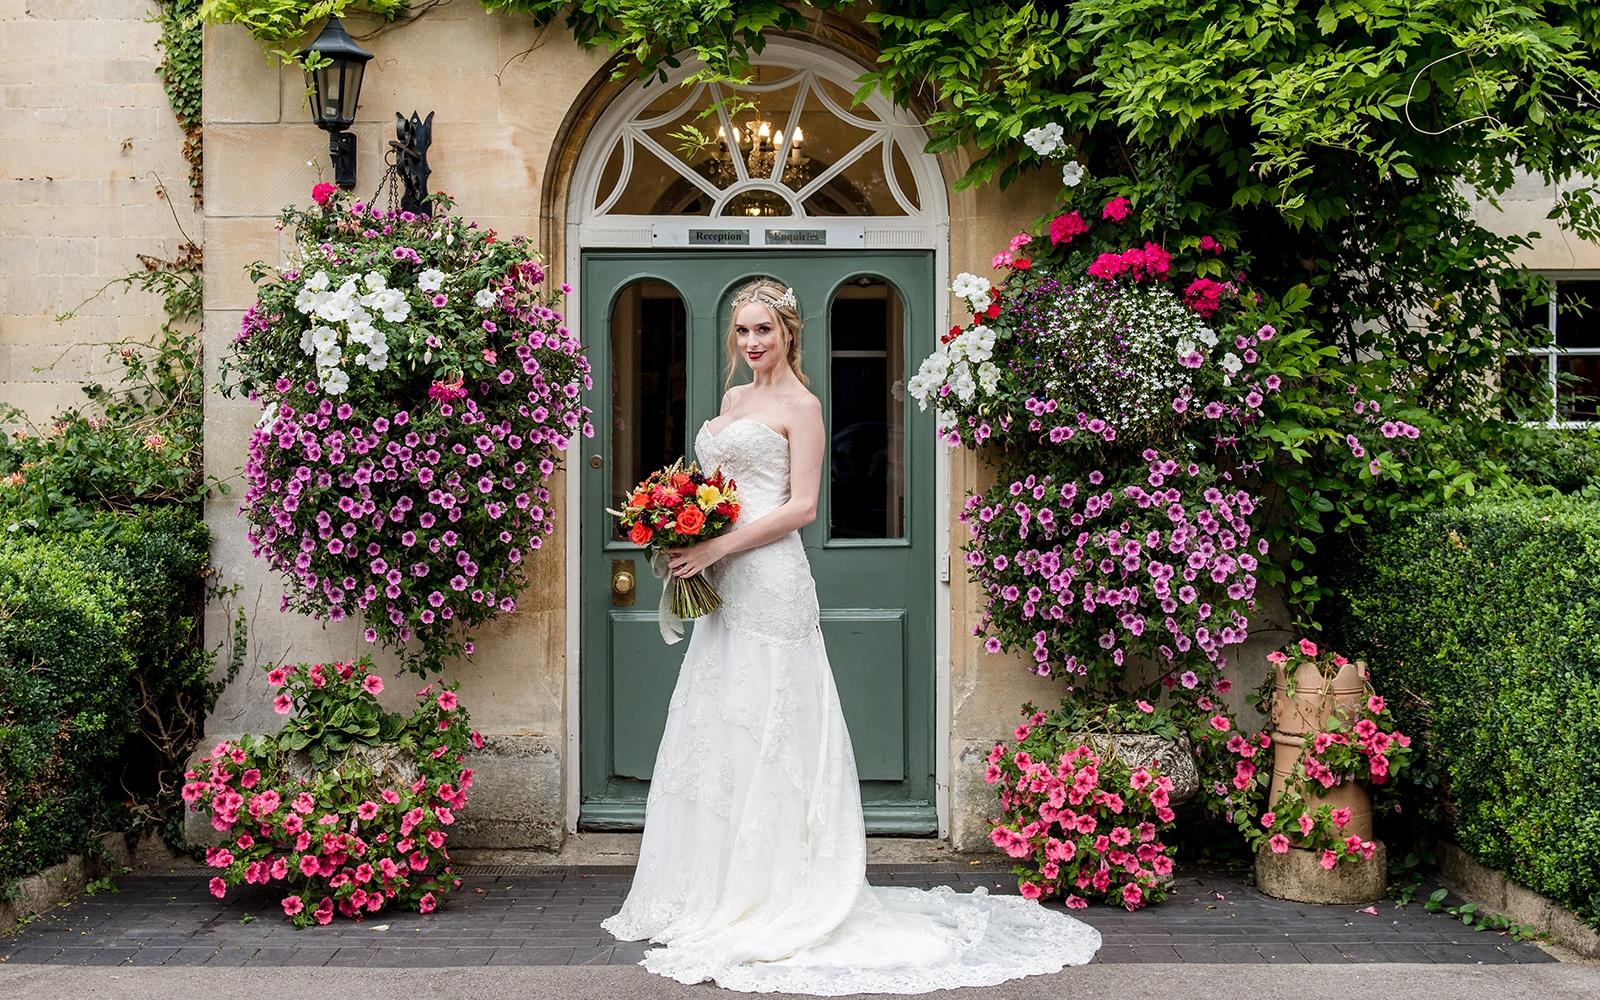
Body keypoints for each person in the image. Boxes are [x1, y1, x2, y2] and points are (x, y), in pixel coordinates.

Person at [601, 277, 1101, 994]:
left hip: (770, 578)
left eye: (763, 331)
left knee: (773, 717)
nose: (751, 344)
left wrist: (716, 547)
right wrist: (684, 525)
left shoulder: (803, 406)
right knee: (721, 717)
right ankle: (713, 885)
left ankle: (783, 891)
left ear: (789, 334)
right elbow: (716, 489)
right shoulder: (735, 401)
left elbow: (802, 506)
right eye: (742, 331)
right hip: (726, 582)